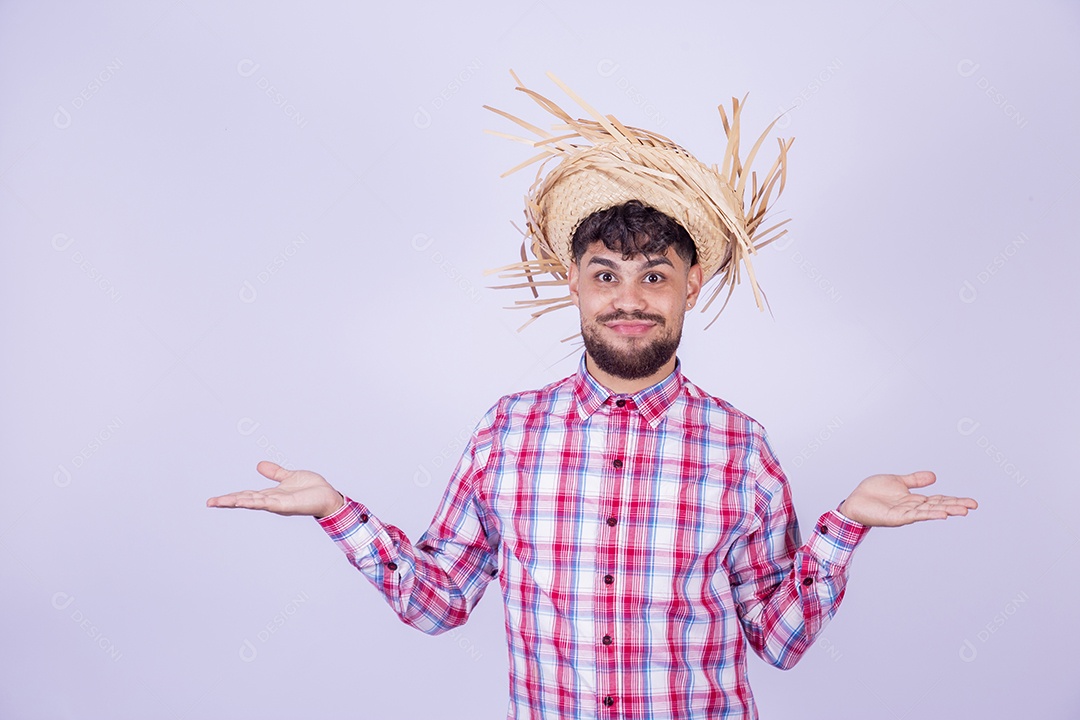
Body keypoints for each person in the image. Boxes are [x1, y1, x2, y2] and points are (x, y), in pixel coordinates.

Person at [207, 74, 977, 720]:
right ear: (572, 282)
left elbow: (780, 640)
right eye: (606, 274)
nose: (629, 299)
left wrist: (845, 528)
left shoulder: (740, 446)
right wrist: (336, 511)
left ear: (691, 287)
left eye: (655, 276)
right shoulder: (508, 432)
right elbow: (435, 603)